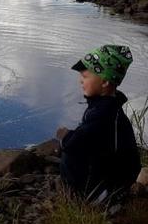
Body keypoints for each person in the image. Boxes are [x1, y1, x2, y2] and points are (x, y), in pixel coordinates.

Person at [57, 44, 142, 203]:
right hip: (118, 177)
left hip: (109, 185)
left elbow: (75, 142)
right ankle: (105, 191)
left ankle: (91, 197)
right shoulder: (108, 105)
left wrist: (65, 136)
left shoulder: (103, 113)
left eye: (85, 76)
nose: (80, 80)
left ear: (105, 82)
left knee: (68, 154)